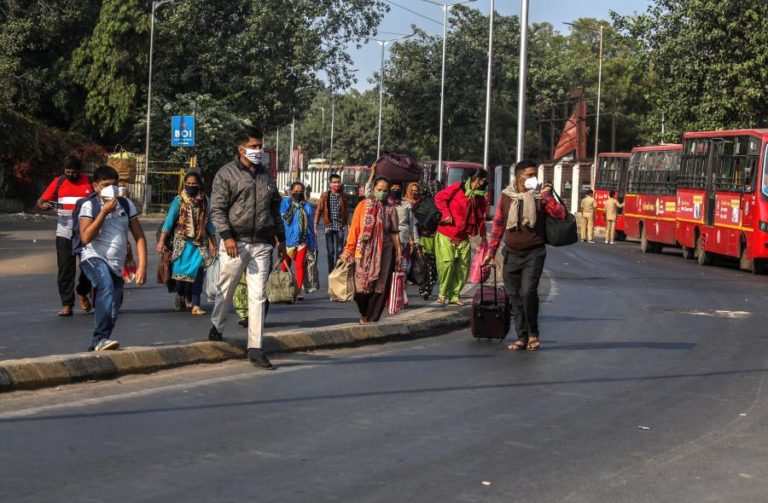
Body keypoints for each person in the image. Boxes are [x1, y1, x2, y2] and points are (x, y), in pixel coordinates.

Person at [208, 126, 286, 370]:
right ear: (240, 149)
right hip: (235, 242)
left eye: (260, 146)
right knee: (226, 290)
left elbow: (275, 208)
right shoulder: (226, 174)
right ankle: (217, 325)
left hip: (262, 244)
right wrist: (227, 236)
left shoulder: (266, 175)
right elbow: (218, 209)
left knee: (258, 297)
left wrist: (280, 239)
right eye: (253, 146)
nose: (258, 151)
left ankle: (255, 348)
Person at [486, 160, 567, 351]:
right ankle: (521, 336)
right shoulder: (505, 196)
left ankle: (533, 334)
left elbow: (561, 214)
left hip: (534, 253)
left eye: (534, 175)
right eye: (529, 175)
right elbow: (498, 226)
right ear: (519, 176)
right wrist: (491, 252)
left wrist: (546, 197)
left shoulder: (540, 197)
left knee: (528, 292)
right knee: (513, 295)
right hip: (511, 254)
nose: (533, 178)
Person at [77, 165, 148, 351]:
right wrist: (103, 212)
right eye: (106, 184)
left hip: (117, 263)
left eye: (114, 184)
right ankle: (99, 339)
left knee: (114, 306)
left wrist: (142, 267)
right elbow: (85, 237)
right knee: (105, 286)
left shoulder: (126, 204)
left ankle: (100, 342)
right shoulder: (89, 205)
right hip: (93, 256)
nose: (111, 189)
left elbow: (139, 236)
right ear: (95, 186)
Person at [36, 155, 94, 316]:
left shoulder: (89, 182)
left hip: (85, 232)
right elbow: (40, 201)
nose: (71, 175)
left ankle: (82, 291)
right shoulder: (59, 182)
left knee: (89, 266)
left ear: (80, 171)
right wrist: (44, 206)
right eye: (68, 172)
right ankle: (67, 304)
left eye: (74, 172)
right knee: (65, 269)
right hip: (64, 231)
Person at [341, 176, 402, 324]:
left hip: (385, 254)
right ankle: (364, 314)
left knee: (379, 288)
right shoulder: (362, 206)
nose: (382, 192)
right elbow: (355, 229)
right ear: (373, 189)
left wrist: (399, 253)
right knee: (360, 289)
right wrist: (348, 250)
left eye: (385, 190)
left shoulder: (391, 210)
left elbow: (394, 232)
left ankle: (371, 319)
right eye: (379, 189)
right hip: (362, 253)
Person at [156, 172, 217, 315]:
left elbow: (209, 225)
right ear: (184, 184)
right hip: (181, 243)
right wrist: (161, 242)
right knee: (180, 274)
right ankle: (182, 294)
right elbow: (169, 222)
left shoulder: (205, 201)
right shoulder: (178, 200)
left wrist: (214, 244)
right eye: (188, 184)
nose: (190, 186)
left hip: (199, 244)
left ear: (199, 185)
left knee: (198, 273)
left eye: (194, 184)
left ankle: (196, 304)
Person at [433, 170, 489, 306]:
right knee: (448, 263)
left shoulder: (480, 197)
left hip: (464, 236)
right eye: (480, 180)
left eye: (484, 181)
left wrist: (483, 235)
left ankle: (454, 295)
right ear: (474, 179)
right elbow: (439, 198)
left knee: (462, 268)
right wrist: (446, 213)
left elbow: (481, 217)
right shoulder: (458, 187)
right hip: (447, 232)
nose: (481, 183)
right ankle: (442, 293)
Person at [280, 181, 316, 301]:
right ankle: (284, 289)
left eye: (300, 191)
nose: (298, 193)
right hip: (287, 241)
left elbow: (310, 226)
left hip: (302, 240)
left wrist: (312, 245)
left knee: (300, 265)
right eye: (296, 191)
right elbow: (280, 220)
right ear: (290, 191)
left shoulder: (307, 206)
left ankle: (297, 292)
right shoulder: (285, 203)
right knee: (285, 266)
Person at [408, 182, 439, 299]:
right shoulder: (411, 205)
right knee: (426, 266)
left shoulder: (430, 204)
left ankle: (425, 288)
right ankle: (424, 288)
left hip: (431, 239)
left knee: (429, 266)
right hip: (422, 239)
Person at [314, 173, 348, 271]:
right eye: (334, 182)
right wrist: (315, 225)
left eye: (338, 182)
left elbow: (346, 211)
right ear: (330, 183)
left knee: (340, 251)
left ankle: (337, 271)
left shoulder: (343, 196)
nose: (336, 184)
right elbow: (319, 210)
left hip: (340, 226)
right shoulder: (325, 195)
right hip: (329, 226)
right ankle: (331, 271)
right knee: (330, 252)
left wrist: (348, 225)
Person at [389, 181, 418, 273]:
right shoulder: (385, 204)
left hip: (403, 239)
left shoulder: (407, 204)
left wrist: (415, 241)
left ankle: (400, 284)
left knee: (403, 265)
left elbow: (412, 224)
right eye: (393, 189)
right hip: (388, 239)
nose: (395, 191)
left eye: (397, 190)